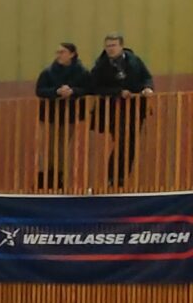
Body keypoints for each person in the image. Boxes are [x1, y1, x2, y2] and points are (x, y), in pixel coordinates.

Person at [92, 33, 155, 183]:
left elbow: (147, 77)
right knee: (122, 140)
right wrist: (118, 92)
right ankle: (112, 176)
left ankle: (122, 177)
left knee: (132, 142)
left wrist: (147, 88)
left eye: (113, 45)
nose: (110, 49)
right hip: (113, 108)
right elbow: (94, 87)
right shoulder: (100, 66)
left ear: (121, 46)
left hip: (135, 107)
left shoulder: (135, 60)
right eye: (108, 46)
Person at [36, 41, 91, 188]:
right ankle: (44, 178)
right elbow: (40, 90)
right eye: (58, 52)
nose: (59, 55)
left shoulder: (82, 72)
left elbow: (88, 88)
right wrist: (57, 91)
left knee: (62, 147)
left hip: (70, 115)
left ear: (72, 54)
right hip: (49, 115)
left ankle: (58, 178)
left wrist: (73, 91)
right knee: (47, 147)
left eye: (62, 52)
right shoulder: (48, 72)